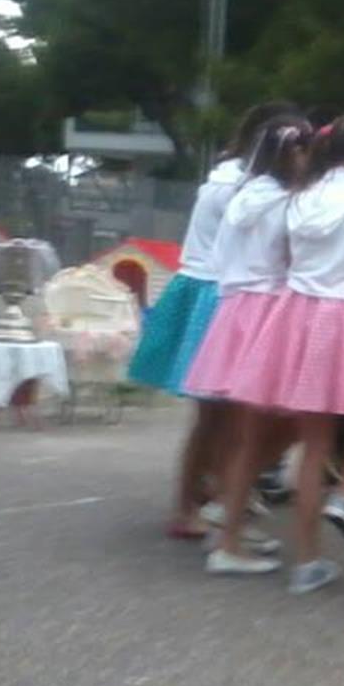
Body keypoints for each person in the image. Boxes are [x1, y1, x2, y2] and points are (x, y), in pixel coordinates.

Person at [223, 113, 344, 593]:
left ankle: (307, 559)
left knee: (314, 442)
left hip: (301, 312)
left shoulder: (301, 199)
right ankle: (343, 493)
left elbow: (287, 257)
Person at [129, 100, 296, 540]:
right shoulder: (243, 189)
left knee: (223, 418)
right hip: (217, 293)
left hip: (207, 289)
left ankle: (216, 497)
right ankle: (196, 504)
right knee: (218, 419)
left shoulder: (231, 179)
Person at [185, 111, 313, 572]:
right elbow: (296, 261)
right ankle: (229, 541)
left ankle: (229, 519)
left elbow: (220, 258)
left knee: (241, 432)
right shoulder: (288, 205)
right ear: (291, 154)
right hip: (269, 313)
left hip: (234, 310)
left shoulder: (243, 196)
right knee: (255, 433)